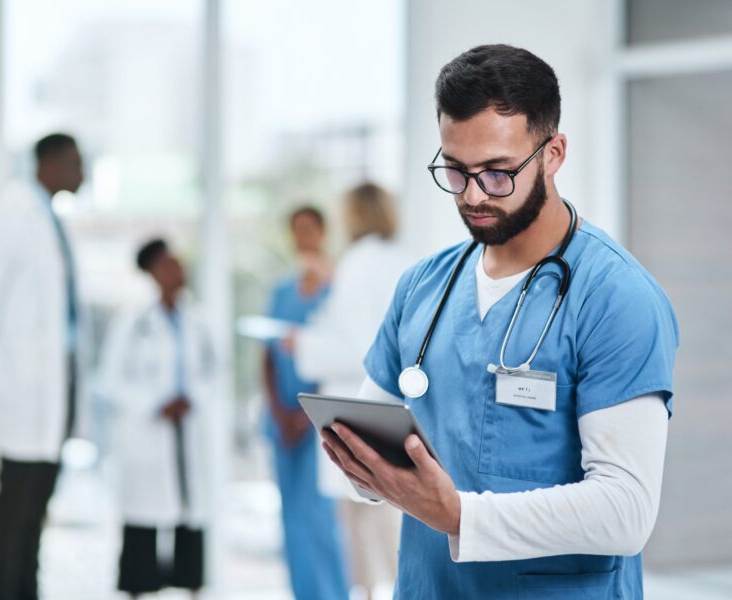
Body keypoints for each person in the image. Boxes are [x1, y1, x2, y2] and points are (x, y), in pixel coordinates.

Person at [320, 44, 679, 599]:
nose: (472, 195)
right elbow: (373, 455)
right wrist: (364, 469)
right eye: (456, 171)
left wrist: (459, 514)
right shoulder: (423, 287)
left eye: (497, 172)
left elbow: (625, 510)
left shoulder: (615, 298)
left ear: (553, 152)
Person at [0, 133, 84, 600]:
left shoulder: (47, 218)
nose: (82, 172)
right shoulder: (13, 214)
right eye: (76, 162)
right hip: (21, 391)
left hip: (51, 391)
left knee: (33, 513)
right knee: (14, 510)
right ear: (50, 163)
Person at [291, 183, 409, 599]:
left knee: (366, 546)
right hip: (394, 414)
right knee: (392, 541)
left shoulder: (359, 264)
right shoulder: (401, 259)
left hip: (358, 412)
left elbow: (362, 349)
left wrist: (302, 344)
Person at [101, 239, 213, 598]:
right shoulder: (133, 323)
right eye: (166, 265)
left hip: (187, 431)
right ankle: (138, 590)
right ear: (151, 273)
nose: (176, 270)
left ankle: (191, 588)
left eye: (177, 263)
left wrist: (191, 399)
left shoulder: (197, 320)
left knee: (190, 518)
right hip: (149, 433)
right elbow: (111, 379)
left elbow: (212, 373)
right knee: (143, 525)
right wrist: (154, 404)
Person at [262, 206, 349, 600]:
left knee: (322, 516)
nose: (303, 237)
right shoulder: (281, 290)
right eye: (295, 229)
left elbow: (336, 353)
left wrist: (304, 413)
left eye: (309, 228)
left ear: (324, 232)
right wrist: (280, 412)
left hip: (318, 418)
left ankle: (332, 593)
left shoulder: (338, 288)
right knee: (291, 518)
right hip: (282, 421)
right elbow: (267, 354)